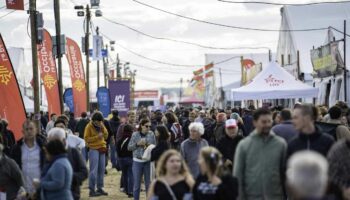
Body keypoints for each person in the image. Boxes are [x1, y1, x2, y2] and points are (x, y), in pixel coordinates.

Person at [233, 108, 286, 200]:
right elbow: (238, 175)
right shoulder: (244, 145)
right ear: (255, 122)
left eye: (269, 121)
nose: (267, 125)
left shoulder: (280, 144)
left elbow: (284, 174)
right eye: (263, 122)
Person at [47, 128, 88, 200]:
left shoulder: (73, 152)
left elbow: (84, 172)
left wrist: (68, 177)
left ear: (64, 141)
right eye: (50, 142)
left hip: (72, 193)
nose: (52, 145)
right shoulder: (47, 155)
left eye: (55, 142)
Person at [11, 120, 46, 198]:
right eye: (26, 129)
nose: (29, 131)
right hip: (22, 189)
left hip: (40, 188)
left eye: (31, 129)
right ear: (22, 131)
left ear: (36, 130)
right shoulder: (17, 148)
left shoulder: (43, 147)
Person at [128, 118, 156, 200]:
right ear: (141, 126)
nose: (148, 128)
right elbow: (129, 147)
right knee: (137, 185)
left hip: (148, 161)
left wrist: (147, 145)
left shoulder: (151, 134)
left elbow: (154, 147)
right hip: (137, 161)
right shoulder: (135, 134)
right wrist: (137, 144)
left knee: (149, 184)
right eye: (146, 126)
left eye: (150, 126)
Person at [84, 111, 109, 197]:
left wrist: (103, 128)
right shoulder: (89, 126)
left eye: (100, 121)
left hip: (102, 148)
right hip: (93, 149)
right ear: (93, 120)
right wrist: (96, 137)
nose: (98, 123)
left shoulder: (102, 125)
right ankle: (91, 189)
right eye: (96, 121)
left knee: (101, 169)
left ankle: (100, 188)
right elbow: (86, 139)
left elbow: (106, 136)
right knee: (93, 170)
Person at [116, 124, 134, 198]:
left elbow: (117, 150)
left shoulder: (120, 140)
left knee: (124, 175)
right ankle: (130, 191)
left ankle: (126, 190)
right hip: (130, 159)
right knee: (131, 175)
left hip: (121, 159)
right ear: (131, 131)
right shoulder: (132, 139)